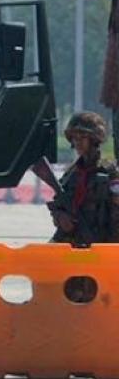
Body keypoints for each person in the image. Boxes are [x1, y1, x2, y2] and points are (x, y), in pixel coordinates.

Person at [49, 112, 119, 301]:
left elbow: (116, 214)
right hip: (71, 244)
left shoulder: (109, 172)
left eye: (83, 137)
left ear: (95, 139)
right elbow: (57, 203)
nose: (78, 142)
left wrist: (111, 248)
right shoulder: (72, 172)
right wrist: (60, 217)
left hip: (101, 245)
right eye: (75, 138)